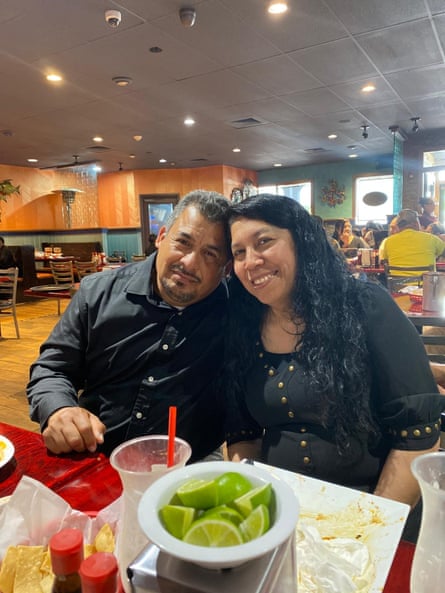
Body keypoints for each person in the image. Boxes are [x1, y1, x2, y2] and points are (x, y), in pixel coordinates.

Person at [224, 194, 443, 514]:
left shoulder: (365, 305)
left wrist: (370, 529)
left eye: (264, 242)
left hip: (369, 507)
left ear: (301, 241)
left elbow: (417, 435)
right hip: (279, 509)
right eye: (239, 252)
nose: (251, 261)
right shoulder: (245, 325)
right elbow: (242, 435)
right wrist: (252, 504)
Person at [27, 190, 232, 461]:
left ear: (226, 268)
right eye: (183, 242)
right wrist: (59, 410)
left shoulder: (235, 309)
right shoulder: (97, 293)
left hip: (191, 464)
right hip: (95, 455)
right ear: (161, 237)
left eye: (210, 255)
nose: (189, 262)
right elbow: (52, 368)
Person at [379, 209, 445, 274]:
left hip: (397, 283)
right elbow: (443, 252)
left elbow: (384, 261)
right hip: (426, 283)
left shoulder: (388, 241)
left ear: (398, 226)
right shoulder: (431, 238)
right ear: (416, 223)